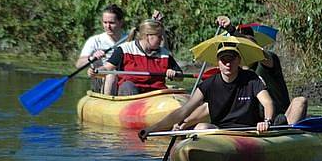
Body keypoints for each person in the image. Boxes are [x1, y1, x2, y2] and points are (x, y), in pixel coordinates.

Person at [138, 39, 275, 141]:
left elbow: (268, 102)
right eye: (223, 59)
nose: (228, 64)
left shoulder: (251, 78)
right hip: (221, 134)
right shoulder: (208, 84)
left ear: (238, 60)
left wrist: (267, 121)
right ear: (218, 62)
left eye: (232, 59)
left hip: (248, 133)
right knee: (200, 128)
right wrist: (151, 129)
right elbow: (183, 111)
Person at [217, 15, 308, 124]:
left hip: (281, 119)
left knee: (300, 101)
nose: (246, 49)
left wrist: (232, 31)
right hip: (255, 124)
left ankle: (289, 133)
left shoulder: (268, 60)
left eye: (249, 43)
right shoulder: (232, 70)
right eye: (241, 46)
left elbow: (256, 50)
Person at [88, 18, 183, 96]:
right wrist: (95, 71)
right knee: (128, 86)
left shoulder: (165, 54)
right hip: (131, 92)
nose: (162, 40)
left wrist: (174, 74)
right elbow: (107, 68)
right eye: (159, 36)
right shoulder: (124, 49)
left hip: (156, 94)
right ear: (147, 36)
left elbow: (180, 77)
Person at [76, 4, 127, 95]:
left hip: (125, 79)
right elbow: (79, 64)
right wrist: (91, 58)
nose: (108, 26)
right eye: (105, 22)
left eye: (111, 23)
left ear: (120, 22)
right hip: (101, 78)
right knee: (111, 75)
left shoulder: (128, 39)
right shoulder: (95, 41)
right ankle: (107, 101)